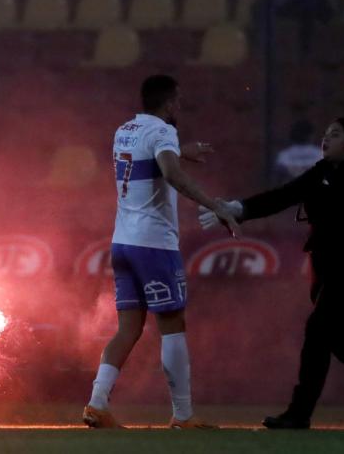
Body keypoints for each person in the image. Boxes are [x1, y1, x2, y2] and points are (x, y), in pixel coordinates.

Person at [199, 117, 344, 430]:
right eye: (326, 133)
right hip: (323, 265)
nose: (325, 138)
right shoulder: (321, 171)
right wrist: (237, 208)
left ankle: (299, 413)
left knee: (318, 331)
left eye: (335, 134)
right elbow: (282, 196)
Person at [82, 75, 240, 429]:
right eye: (178, 101)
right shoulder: (164, 132)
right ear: (169, 103)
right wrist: (215, 205)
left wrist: (183, 151)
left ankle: (96, 403)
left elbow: (151, 159)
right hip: (154, 244)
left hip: (122, 242)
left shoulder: (124, 130)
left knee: (129, 329)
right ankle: (183, 415)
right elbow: (170, 173)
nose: (179, 108)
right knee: (172, 325)